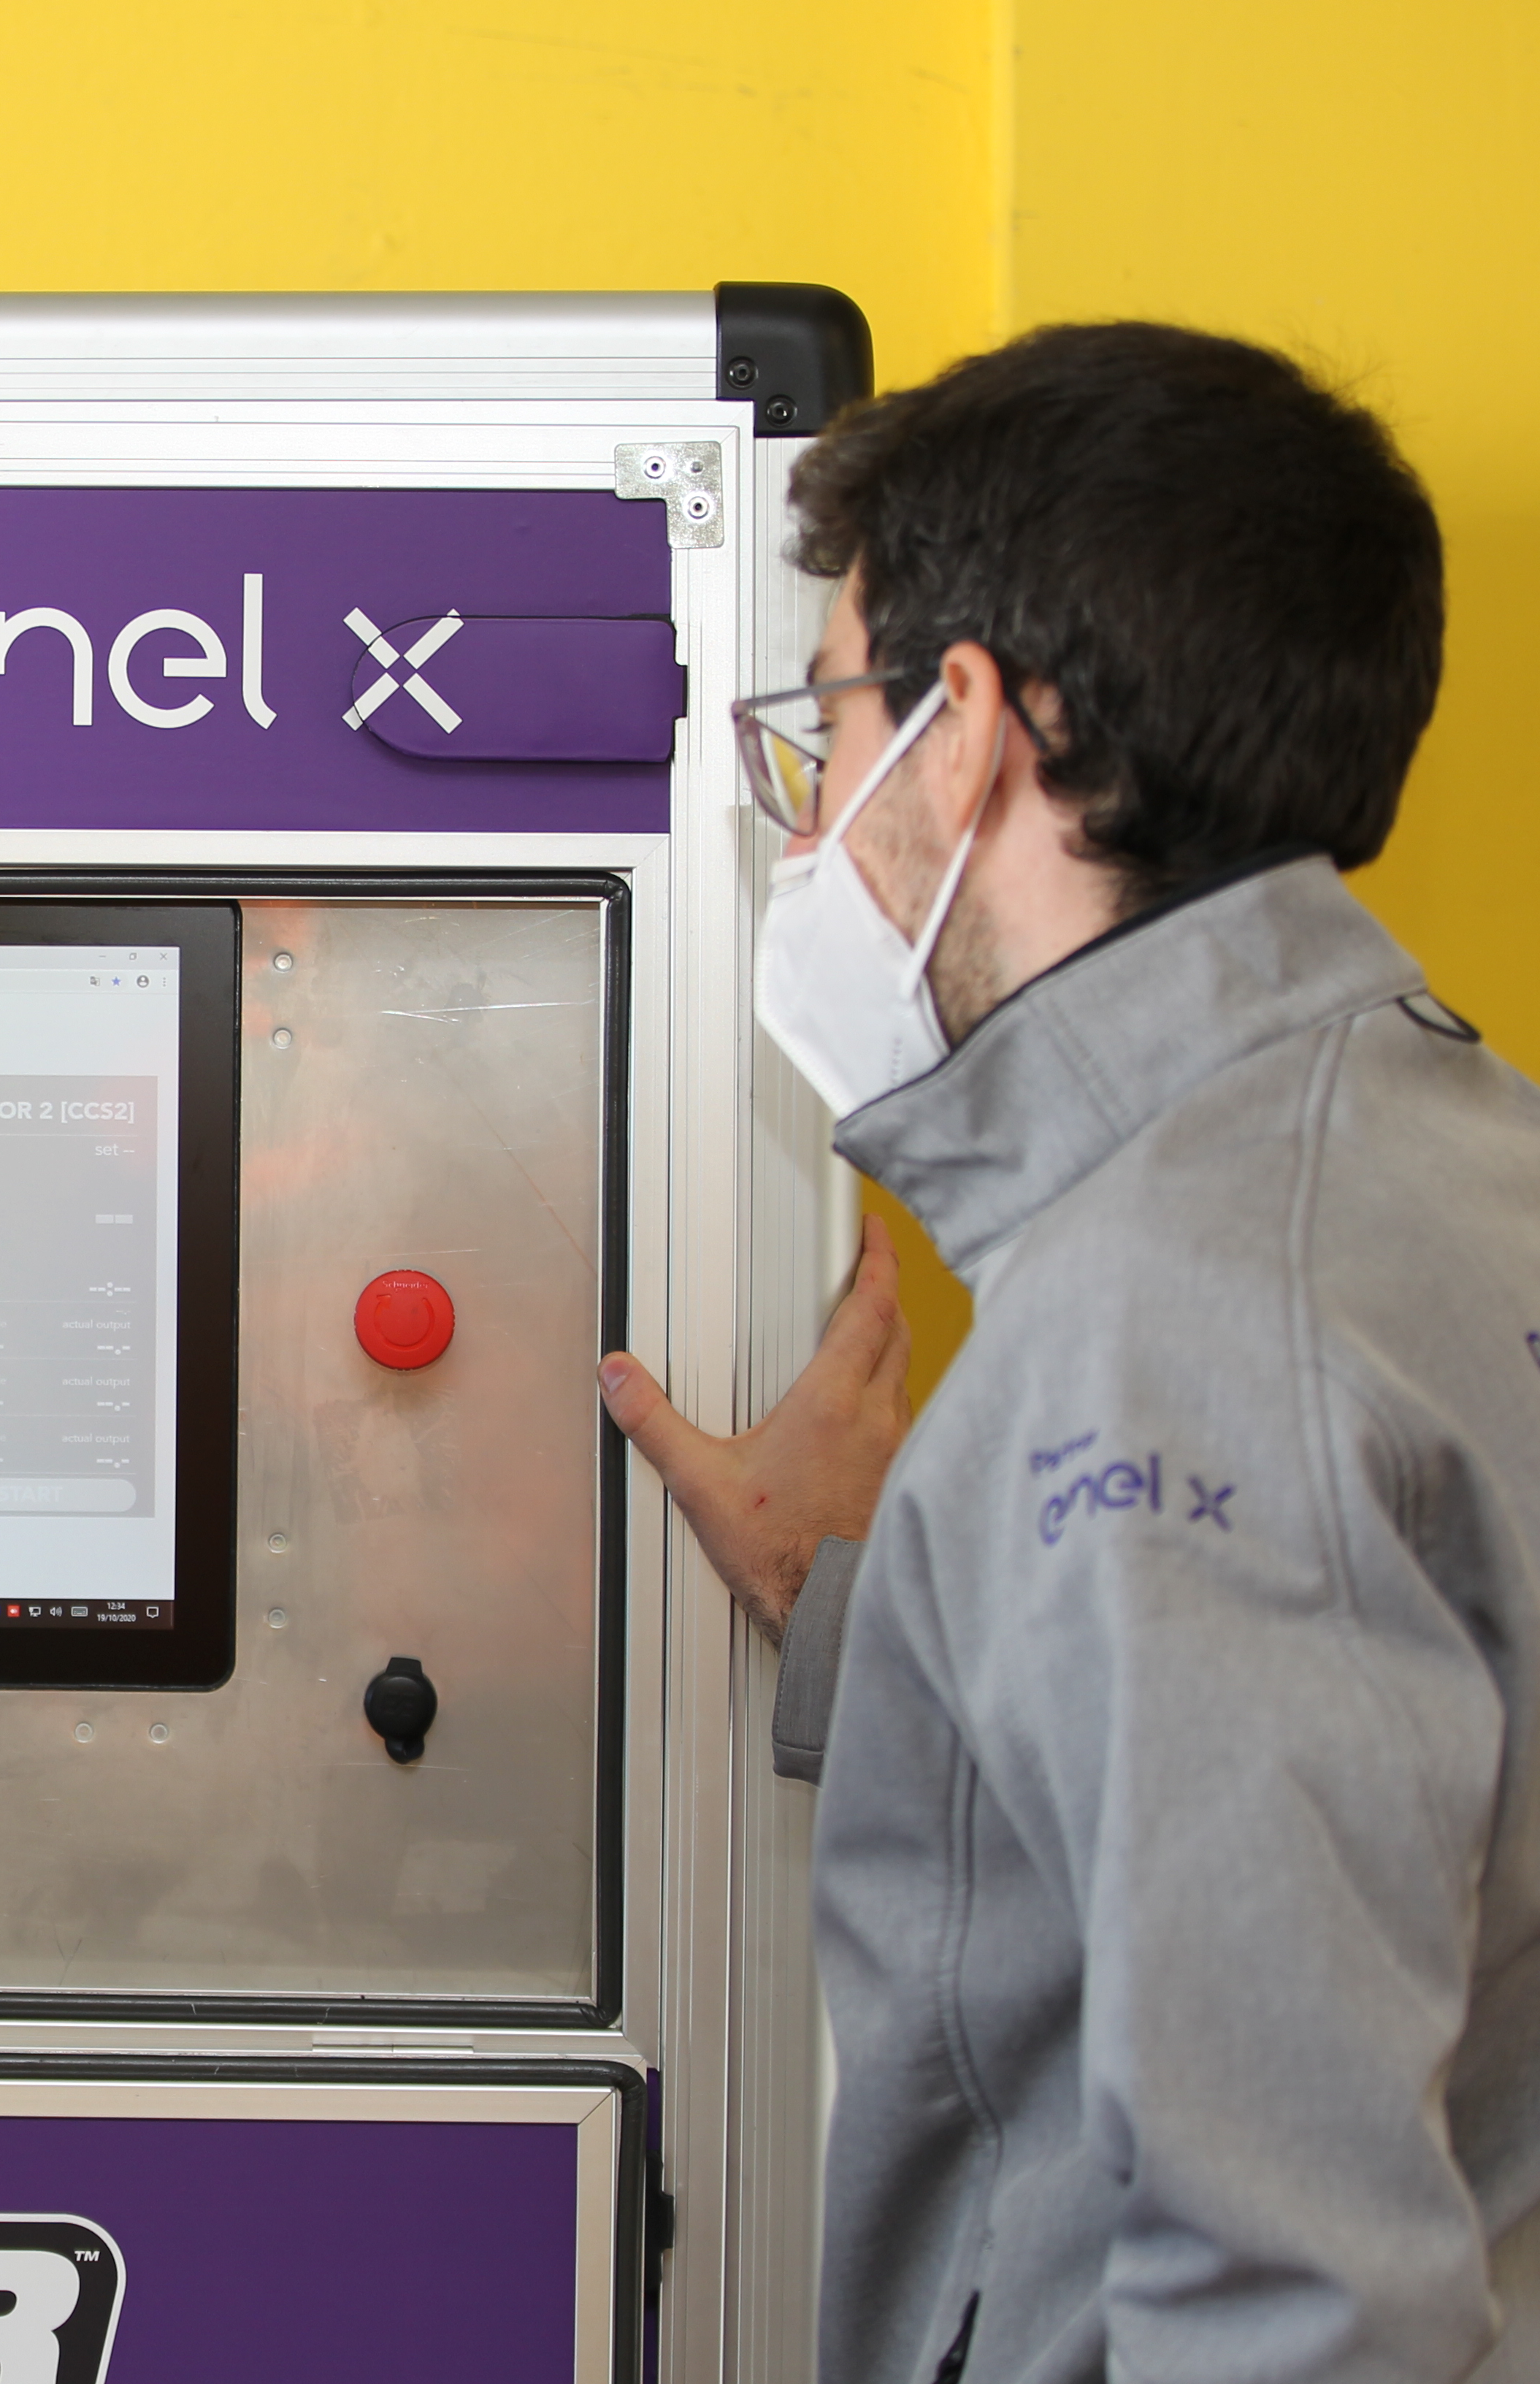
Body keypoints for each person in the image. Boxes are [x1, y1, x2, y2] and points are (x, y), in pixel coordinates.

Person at [598, 323, 1540, 2380]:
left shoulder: (1175, 1318)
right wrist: (867, 1602)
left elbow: (1299, 2298)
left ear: (965, 734)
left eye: (827, 732)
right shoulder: (1448, 1163)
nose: (808, 828)